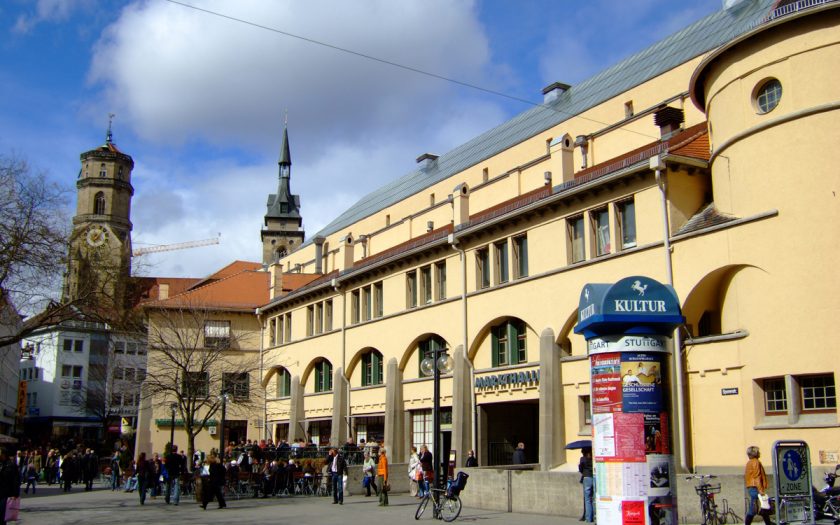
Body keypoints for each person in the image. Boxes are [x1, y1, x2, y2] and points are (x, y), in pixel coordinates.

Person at [744, 446, 772, 525]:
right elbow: (757, 477)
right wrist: (761, 491)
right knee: (755, 508)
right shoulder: (756, 462)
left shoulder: (749, 462)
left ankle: (768, 523)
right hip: (755, 487)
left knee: (761, 507)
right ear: (755, 453)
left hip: (752, 487)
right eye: (758, 451)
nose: (759, 453)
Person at [0, 448, 20, 525]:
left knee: (2, 515)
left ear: (3, 454)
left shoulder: (11, 465)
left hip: (5, 494)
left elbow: (15, 480)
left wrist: (15, 494)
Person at [579, 448, 594, 523]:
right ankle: (594, 516)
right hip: (593, 477)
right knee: (593, 498)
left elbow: (580, 469)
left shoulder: (583, 459)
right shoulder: (593, 457)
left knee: (587, 499)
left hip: (587, 478)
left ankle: (588, 518)